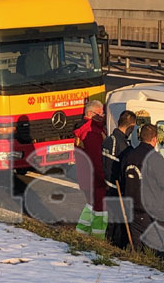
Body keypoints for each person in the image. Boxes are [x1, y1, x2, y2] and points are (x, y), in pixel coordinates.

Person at [120, 124, 164, 250]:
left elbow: (122, 178)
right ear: (154, 139)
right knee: (151, 249)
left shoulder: (129, 155)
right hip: (150, 211)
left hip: (132, 208)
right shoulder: (154, 158)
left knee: (136, 247)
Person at [102, 110, 137, 247]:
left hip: (108, 187)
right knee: (118, 226)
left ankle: (109, 245)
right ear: (131, 126)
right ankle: (116, 249)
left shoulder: (108, 140)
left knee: (111, 223)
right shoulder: (123, 146)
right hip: (117, 191)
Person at [74, 100, 107, 237]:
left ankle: (81, 232)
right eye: (99, 113)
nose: (102, 116)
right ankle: (98, 238)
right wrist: (104, 178)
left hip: (86, 177)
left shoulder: (83, 129)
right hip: (96, 178)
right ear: (89, 113)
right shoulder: (91, 131)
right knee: (100, 208)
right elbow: (96, 159)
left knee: (91, 204)